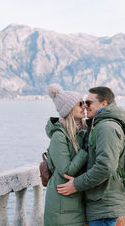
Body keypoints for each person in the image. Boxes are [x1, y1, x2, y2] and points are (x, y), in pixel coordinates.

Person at [57, 86, 125, 226]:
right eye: (83, 102)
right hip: (101, 203)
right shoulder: (100, 125)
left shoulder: (106, 128)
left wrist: (76, 185)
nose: (85, 106)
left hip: (103, 206)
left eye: (88, 103)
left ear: (104, 104)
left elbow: (105, 167)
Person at [44, 83, 89, 226]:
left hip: (76, 199)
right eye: (80, 104)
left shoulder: (81, 131)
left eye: (84, 103)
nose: (84, 107)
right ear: (69, 109)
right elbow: (66, 171)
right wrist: (85, 151)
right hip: (62, 205)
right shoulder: (59, 136)